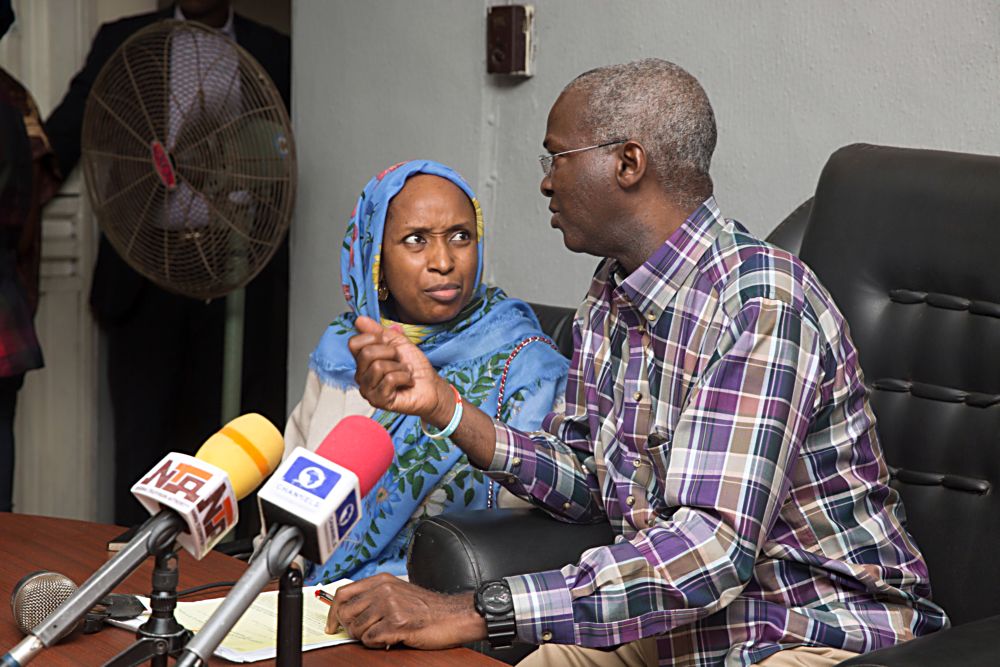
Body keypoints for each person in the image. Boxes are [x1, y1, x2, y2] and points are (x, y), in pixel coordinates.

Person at [323, 60, 949, 666]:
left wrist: (470, 610)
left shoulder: (761, 304)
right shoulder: (611, 296)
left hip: (808, 630)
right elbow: (588, 483)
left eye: (557, 158)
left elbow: (711, 551)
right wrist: (445, 406)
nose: (545, 181)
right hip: (682, 629)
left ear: (628, 164)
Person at [44, 0, 290, 527]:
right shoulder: (125, 43)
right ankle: (126, 571)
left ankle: (216, 579)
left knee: (225, 435)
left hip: (237, 276)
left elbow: (289, 156)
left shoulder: (274, 51)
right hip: (143, 271)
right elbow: (65, 137)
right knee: (141, 435)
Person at [285, 159, 568, 582]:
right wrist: (280, 576)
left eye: (460, 237)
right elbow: (292, 493)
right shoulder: (348, 349)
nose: (444, 260)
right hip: (307, 596)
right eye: (416, 240)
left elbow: (530, 527)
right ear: (376, 260)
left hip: (438, 605)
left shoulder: (528, 363)